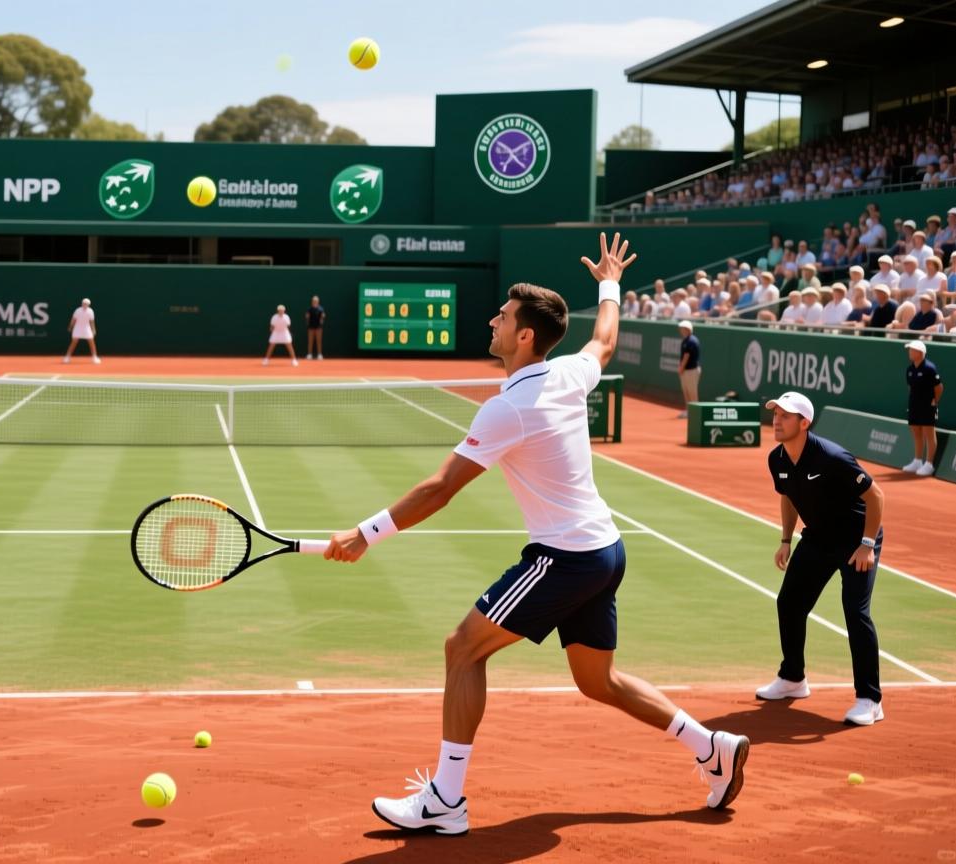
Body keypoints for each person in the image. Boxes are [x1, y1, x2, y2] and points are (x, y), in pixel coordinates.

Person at [323, 233, 750, 835]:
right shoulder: (571, 373)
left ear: (525, 335)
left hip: (566, 558)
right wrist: (609, 283)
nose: (493, 319)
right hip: (605, 549)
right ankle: (712, 746)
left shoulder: (508, 408)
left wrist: (367, 532)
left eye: (503, 315)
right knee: (597, 681)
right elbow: (603, 340)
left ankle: (445, 800)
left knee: (461, 648)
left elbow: (441, 487)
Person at [760, 392, 886, 726]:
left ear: (804, 423)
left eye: (786, 416)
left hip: (856, 538)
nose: (777, 420)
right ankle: (793, 679)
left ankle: (870, 699)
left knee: (855, 612)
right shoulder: (777, 459)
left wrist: (867, 544)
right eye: (776, 414)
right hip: (818, 536)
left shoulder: (832, 457)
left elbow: (875, 496)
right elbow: (787, 498)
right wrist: (786, 539)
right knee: (789, 603)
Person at [901, 341, 943, 477]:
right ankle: (917, 461)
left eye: (912, 350)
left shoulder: (930, 368)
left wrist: (934, 401)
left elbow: (939, 388)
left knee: (928, 433)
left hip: (927, 406)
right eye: (909, 350)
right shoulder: (909, 369)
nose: (909, 352)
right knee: (916, 432)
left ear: (920, 353)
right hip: (914, 405)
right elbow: (910, 388)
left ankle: (929, 464)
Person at [676, 320, 701, 419]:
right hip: (686, 371)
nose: (680, 330)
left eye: (682, 328)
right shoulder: (686, 340)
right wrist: (682, 368)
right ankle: (688, 411)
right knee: (686, 392)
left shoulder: (691, 341)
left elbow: (686, 356)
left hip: (691, 371)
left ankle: (696, 414)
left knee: (692, 393)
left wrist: (681, 368)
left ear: (687, 329)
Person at [64, 297, 99, 364]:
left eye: (86, 304)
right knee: (73, 343)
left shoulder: (91, 311)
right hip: (78, 328)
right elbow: (73, 320)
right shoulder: (77, 310)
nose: (85, 304)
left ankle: (95, 357)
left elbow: (92, 322)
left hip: (87, 328)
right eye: (84, 303)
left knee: (91, 342)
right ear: (82, 303)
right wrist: (70, 327)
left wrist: (93, 329)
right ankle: (67, 357)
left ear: (88, 304)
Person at [304, 295, 326, 360]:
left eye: (316, 301)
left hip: (318, 327)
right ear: (312, 301)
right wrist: (307, 318)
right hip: (311, 327)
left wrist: (323, 317)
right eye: (314, 301)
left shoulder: (321, 309)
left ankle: (319, 354)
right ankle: (309, 354)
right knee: (310, 341)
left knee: (319, 341)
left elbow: (323, 316)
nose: (315, 301)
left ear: (318, 301)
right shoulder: (310, 309)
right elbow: (307, 316)